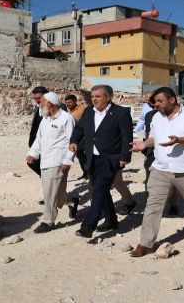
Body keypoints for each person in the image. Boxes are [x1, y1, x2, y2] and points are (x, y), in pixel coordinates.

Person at [129, 87, 184, 257]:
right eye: (155, 102)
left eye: (160, 101)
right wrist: (144, 144)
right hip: (160, 169)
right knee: (153, 205)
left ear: (172, 100)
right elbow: (154, 138)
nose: (156, 105)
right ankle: (146, 243)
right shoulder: (156, 117)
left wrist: (180, 140)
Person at [69, 85, 133, 238]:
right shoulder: (89, 112)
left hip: (110, 159)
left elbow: (127, 137)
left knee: (97, 191)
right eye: (92, 97)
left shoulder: (121, 113)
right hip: (92, 158)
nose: (94, 99)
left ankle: (87, 226)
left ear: (108, 97)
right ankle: (111, 220)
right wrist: (74, 140)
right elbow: (79, 129)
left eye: (97, 96)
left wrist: (125, 157)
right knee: (102, 191)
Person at [27, 92, 79, 233]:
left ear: (50, 103)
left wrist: (68, 160)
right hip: (45, 160)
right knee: (59, 193)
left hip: (58, 160)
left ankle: (48, 221)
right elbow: (39, 139)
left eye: (42, 102)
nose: (40, 104)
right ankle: (72, 201)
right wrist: (32, 153)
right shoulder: (45, 119)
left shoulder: (67, 119)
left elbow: (72, 141)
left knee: (49, 192)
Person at [27, 86, 49, 178]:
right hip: (37, 142)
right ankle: (46, 177)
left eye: (39, 98)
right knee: (32, 161)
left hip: (49, 143)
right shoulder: (37, 107)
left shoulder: (57, 108)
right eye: (35, 98)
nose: (37, 101)